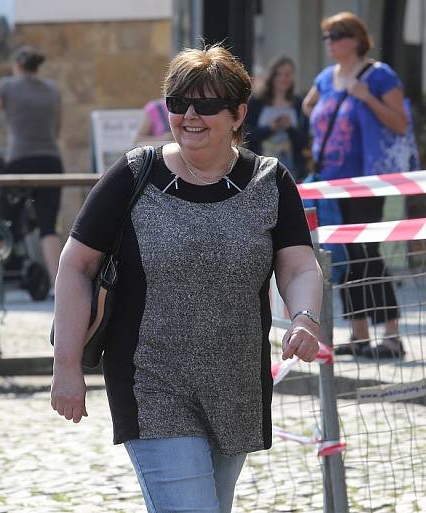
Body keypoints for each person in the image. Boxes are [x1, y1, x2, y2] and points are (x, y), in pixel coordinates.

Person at [50, 44, 323, 513]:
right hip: (151, 379)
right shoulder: (136, 173)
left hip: (236, 383)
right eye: (178, 104)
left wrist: (303, 317)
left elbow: (298, 265)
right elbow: (76, 265)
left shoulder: (269, 181)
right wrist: (66, 366)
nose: (190, 116)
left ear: (238, 114)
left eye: (207, 105)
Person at [302, 11, 406, 359]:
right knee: (342, 256)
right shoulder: (326, 77)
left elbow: (400, 123)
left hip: (366, 180)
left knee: (367, 252)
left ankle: (391, 333)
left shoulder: (378, 75)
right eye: (327, 37)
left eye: (336, 36)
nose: (329, 43)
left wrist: (365, 97)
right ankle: (360, 334)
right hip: (330, 181)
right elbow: (309, 106)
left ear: (355, 39)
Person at [0, 45, 62, 291]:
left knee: (2, 221)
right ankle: (59, 287)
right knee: (48, 227)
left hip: (20, 161)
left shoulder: (7, 85)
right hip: (51, 161)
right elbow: (57, 129)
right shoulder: (52, 90)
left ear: (17, 66)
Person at [245, 56, 309, 181]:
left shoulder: (299, 103)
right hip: (259, 172)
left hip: (292, 173)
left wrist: (290, 128)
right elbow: (246, 134)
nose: (283, 79)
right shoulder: (256, 102)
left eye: (287, 74)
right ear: (271, 76)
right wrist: (269, 129)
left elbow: (304, 140)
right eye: (279, 74)